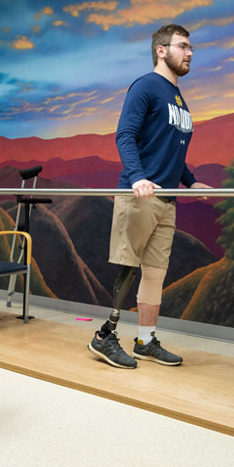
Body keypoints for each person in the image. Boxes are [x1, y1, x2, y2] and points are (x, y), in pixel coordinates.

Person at [87, 24, 211, 369]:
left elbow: (171, 150)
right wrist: (138, 177)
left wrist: (190, 181)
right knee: (129, 267)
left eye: (191, 48)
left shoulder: (177, 97)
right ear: (161, 50)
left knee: (154, 274)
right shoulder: (145, 86)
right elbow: (125, 135)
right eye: (183, 46)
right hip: (139, 194)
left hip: (167, 199)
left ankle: (145, 339)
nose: (190, 53)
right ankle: (104, 336)